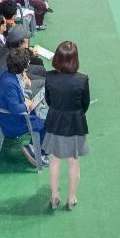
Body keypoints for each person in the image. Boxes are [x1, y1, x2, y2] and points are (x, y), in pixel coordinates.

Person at [43, 40, 90, 211]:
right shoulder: (82, 80)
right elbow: (85, 104)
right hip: (75, 125)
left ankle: (54, 196)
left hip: (55, 123)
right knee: (73, 162)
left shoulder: (49, 77)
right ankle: (71, 198)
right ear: (75, 59)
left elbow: (49, 100)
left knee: (55, 161)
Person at [0, 48, 48, 168]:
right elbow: (16, 109)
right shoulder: (9, 84)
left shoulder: (7, 73)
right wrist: (27, 104)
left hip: (9, 114)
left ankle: (35, 146)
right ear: (21, 67)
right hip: (13, 122)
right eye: (27, 62)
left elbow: (15, 98)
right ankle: (35, 152)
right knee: (46, 125)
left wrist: (24, 98)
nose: (28, 63)